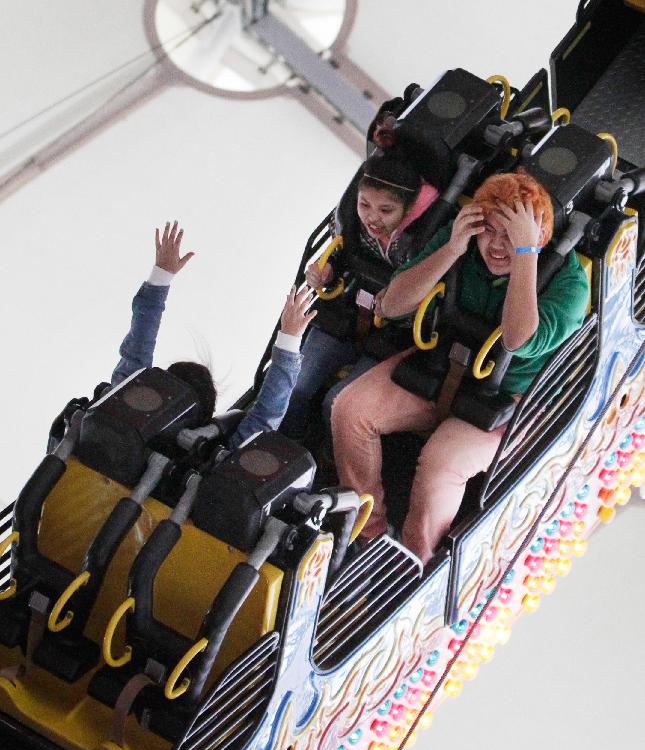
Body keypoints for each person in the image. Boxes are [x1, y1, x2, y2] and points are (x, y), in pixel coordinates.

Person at [331, 171, 590, 564]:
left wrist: (525, 256)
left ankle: (415, 561)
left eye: (511, 236)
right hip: (439, 365)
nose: (496, 245)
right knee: (350, 409)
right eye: (490, 231)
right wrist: (452, 247)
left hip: (504, 398)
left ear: (538, 238)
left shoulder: (568, 282)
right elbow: (391, 304)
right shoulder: (464, 241)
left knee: (440, 464)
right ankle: (370, 536)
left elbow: (518, 339)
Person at [112, 221, 316, 450]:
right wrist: (288, 340)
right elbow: (265, 417)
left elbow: (138, 343)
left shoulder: (123, 405)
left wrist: (161, 276)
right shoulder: (205, 462)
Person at [279, 153, 439, 440]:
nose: (372, 217)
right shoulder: (354, 227)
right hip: (347, 314)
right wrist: (326, 271)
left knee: (336, 403)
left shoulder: (419, 244)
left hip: (393, 335)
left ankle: (327, 457)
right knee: (294, 385)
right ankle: (283, 440)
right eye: (364, 205)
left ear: (408, 210)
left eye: (386, 210)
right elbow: (342, 252)